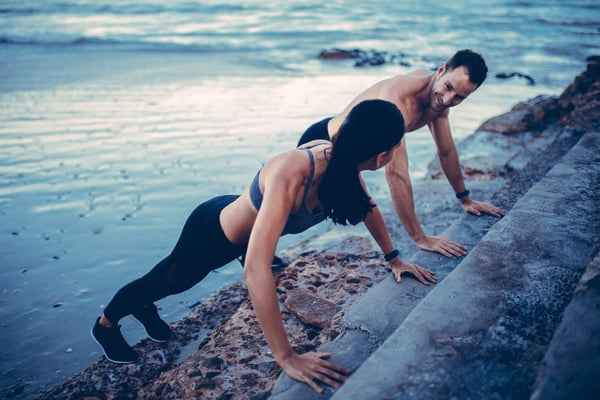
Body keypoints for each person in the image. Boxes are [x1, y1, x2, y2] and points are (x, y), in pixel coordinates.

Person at [90, 99, 436, 393]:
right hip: (213, 235)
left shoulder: (346, 163)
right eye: (397, 148)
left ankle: (145, 309)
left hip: (251, 228)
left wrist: (394, 259)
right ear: (381, 156)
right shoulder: (296, 169)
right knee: (167, 281)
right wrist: (287, 358)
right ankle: (105, 325)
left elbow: (366, 206)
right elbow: (255, 270)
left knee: (169, 282)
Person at [298, 49, 505, 258]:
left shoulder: (437, 98)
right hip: (323, 143)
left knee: (312, 214)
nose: (448, 99)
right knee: (295, 212)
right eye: (448, 87)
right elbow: (396, 173)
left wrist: (465, 199)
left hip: (347, 153)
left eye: (460, 97)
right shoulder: (398, 102)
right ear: (441, 70)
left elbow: (446, 151)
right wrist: (420, 238)